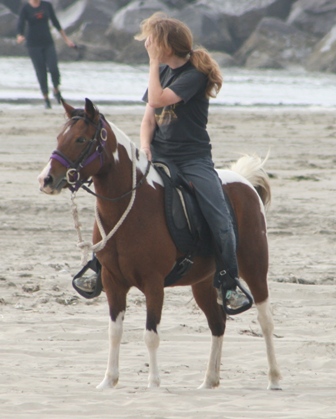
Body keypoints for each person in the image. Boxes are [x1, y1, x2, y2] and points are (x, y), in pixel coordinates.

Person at [74, 12, 251, 314]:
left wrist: (153, 63)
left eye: (151, 40)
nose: (147, 45)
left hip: (193, 159)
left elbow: (157, 100)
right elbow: (148, 118)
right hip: (159, 154)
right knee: (121, 197)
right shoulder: (164, 72)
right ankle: (97, 264)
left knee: (218, 214)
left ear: (166, 44)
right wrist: (145, 147)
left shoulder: (193, 73)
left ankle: (228, 280)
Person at [16, 0, 75, 109]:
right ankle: (46, 98)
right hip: (33, 45)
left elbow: (55, 22)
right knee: (41, 71)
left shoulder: (47, 5)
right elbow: (20, 23)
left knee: (53, 68)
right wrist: (19, 35)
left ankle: (56, 90)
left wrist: (66, 39)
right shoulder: (25, 8)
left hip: (48, 42)